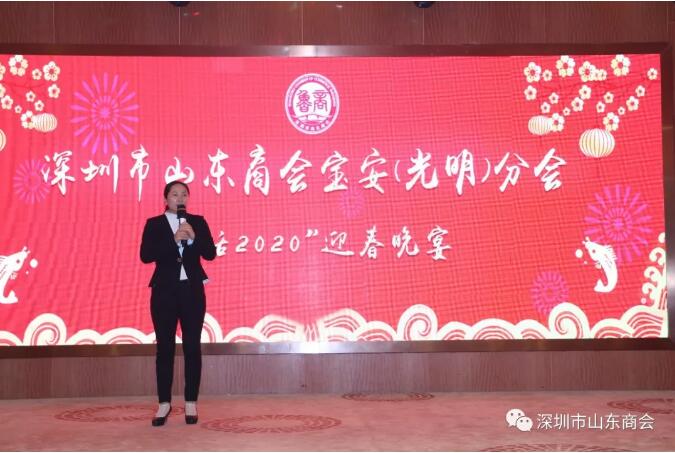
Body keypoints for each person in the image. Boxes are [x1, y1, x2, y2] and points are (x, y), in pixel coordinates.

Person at [140, 181, 216, 426]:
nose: (180, 198)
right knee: (165, 348)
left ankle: (191, 402)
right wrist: (173, 240)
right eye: (174, 194)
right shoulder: (154, 224)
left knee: (192, 346)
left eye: (184, 194)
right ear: (166, 199)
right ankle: (164, 403)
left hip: (192, 291)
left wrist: (194, 239)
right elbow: (146, 255)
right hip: (164, 291)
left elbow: (210, 253)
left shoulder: (198, 222)